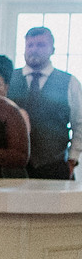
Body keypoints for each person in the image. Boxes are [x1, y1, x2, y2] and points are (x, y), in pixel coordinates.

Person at [14, 27, 79, 179]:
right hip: (15, 167)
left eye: (40, 45)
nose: (34, 50)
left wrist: (72, 159)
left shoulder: (69, 82)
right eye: (30, 45)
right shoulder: (10, 78)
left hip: (54, 166)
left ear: (52, 49)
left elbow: (79, 123)